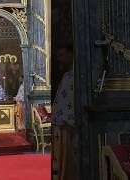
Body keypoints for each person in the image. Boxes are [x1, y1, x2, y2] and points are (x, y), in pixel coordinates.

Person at [52, 45, 79, 180]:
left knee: (73, 157)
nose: (59, 59)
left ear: (70, 54)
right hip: (64, 123)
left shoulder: (74, 75)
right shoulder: (68, 75)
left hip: (70, 123)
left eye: (62, 55)